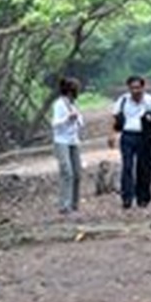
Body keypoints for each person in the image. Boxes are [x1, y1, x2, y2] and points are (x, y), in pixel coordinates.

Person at [107, 75, 151, 209]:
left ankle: (143, 198)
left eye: (138, 88)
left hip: (144, 137)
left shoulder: (150, 101)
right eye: (132, 88)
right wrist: (111, 135)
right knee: (127, 167)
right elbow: (115, 118)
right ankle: (127, 197)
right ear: (128, 88)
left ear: (143, 87)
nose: (135, 91)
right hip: (127, 136)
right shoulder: (123, 100)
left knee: (143, 168)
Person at [51, 76, 84, 215]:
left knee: (77, 173)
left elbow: (80, 121)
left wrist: (77, 120)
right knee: (67, 172)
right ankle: (64, 206)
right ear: (70, 90)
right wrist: (67, 119)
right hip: (61, 141)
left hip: (74, 141)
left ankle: (74, 205)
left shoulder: (73, 104)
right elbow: (55, 124)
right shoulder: (59, 104)